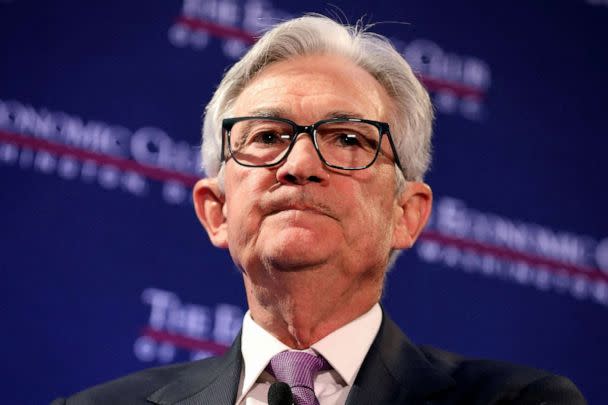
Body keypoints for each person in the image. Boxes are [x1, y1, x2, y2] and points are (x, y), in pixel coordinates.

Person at [52, 15, 586, 405]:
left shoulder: (519, 401)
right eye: (267, 135)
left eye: (348, 138)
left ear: (406, 213)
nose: (300, 164)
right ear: (215, 211)